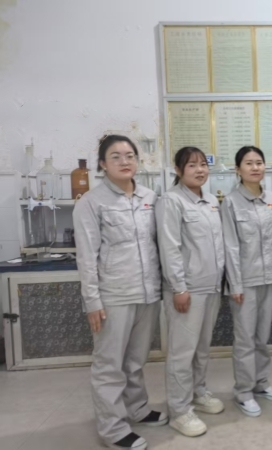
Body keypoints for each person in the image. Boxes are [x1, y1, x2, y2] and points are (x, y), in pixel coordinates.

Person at [73, 135, 167, 450]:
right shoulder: (91, 202)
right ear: (102, 163)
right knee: (109, 364)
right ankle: (113, 429)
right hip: (113, 294)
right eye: (115, 156)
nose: (124, 161)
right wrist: (92, 301)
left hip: (147, 292)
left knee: (136, 360)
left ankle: (136, 409)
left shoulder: (149, 197)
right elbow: (87, 257)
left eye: (130, 155)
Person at [156, 147, 225, 437]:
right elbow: (169, 247)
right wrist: (179, 287)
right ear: (178, 170)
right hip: (188, 289)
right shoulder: (171, 201)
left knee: (201, 349)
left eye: (203, 165)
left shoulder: (210, 200)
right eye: (192, 165)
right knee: (181, 353)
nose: (200, 170)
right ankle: (179, 410)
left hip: (211, 286)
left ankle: (198, 392)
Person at [222, 146, 272, 417]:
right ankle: (243, 391)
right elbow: (230, 246)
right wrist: (235, 284)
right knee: (245, 338)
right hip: (245, 281)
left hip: (269, 278)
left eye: (259, 162)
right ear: (238, 169)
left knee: (262, 336)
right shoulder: (230, 202)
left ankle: (261, 382)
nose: (255, 167)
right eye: (249, 163)